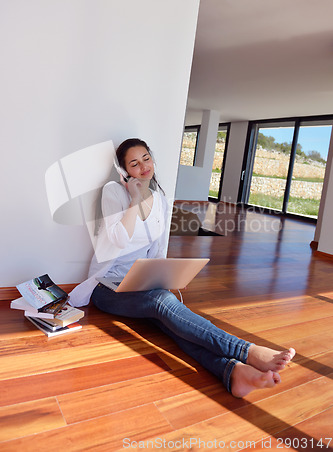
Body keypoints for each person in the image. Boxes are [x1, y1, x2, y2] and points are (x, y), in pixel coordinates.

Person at [69, 138, 295, 398]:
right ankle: (248, 351)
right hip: (106, 286)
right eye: (134, 163)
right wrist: (134, 199)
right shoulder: (113, 192)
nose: (143, 166)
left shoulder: (161, 200)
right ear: (124, 172)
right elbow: (118, 238)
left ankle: (234, 373)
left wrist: (167, 276)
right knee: (162, 303)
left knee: (172, 321)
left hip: (140, 284)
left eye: (146, 158)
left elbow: (157, 250)